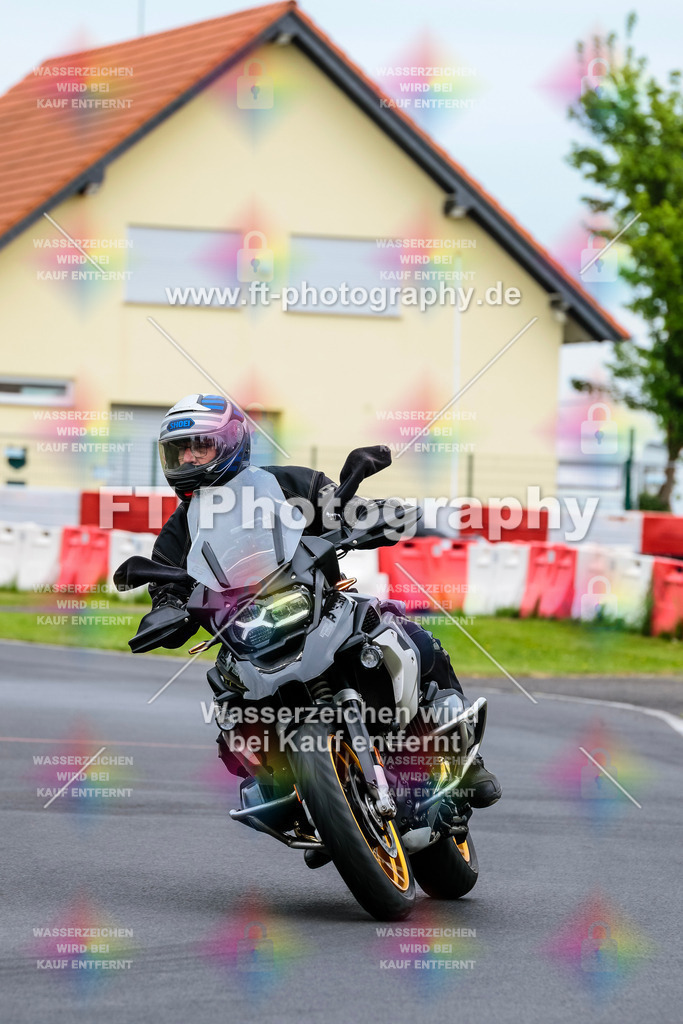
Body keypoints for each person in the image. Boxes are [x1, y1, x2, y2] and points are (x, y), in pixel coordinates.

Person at [143, 393, 501, 815]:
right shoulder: (176, 534)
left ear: (230, 443)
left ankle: (464, 757)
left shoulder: (289, 484)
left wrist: (371, 515)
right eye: (178, 451)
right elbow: (166, 587)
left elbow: (343, 509)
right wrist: (166, 610)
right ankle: (291, 794)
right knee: (227, 704)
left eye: (198, 446)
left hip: (320, 605)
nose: (188, 458)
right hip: (247, 635)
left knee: (402, 630)